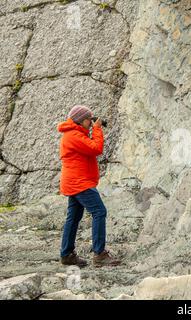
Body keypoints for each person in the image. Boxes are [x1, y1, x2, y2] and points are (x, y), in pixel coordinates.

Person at [57, 105, 120, 268]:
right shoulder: (73, 136)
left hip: (75, 181)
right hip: (79, 182)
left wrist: (93, 128)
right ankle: (99, 254)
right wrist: (98, 129)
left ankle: (67, 254)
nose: (90, 123)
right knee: (99, 211)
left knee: (74, 217)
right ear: (80, 120)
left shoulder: (74, 134)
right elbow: (96, 148)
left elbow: (90, 147)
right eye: (88, 119)